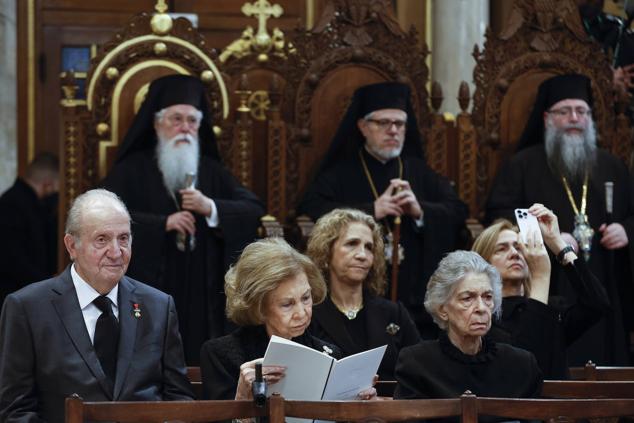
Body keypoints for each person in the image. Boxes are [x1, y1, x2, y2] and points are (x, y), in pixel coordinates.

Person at [103, 74, 265, 364]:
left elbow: (253, 208)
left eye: (192, 121)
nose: (185, 128)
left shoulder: (210, 169)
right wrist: (162, 223)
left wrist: (210, 206)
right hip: (151, 284)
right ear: (156, 123)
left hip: (202, 292)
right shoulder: (132, 169)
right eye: (176, 119)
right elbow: (102, 216)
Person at [0, 189, 193, 422]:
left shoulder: (159, 306)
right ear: (72, 246)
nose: (116, 252)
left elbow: (180, 400)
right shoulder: (27, 308)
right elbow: (16, 411)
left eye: (123, 238)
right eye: (102, 240)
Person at [298, 82, 468, 338]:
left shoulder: (417, 171)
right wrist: (372, 210)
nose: (393, 131)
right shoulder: (341, 172)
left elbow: (458, 210)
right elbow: (311, 206)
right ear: (363, 127)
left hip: (414, 292)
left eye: (399, 124)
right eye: (383, 123)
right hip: (356, 292)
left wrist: (420, 211)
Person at [486, 73, 634, 365]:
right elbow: (498, 215)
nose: (574, 118)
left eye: (581, 111)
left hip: (605, 280)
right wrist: (546, 237)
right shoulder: (523, 165)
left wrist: (627, 229)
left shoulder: (612, 166)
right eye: (564, 112)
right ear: (547, 118)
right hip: (549, 286)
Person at [200, 238, 377, 401]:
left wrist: (356, 404)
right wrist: (242, 398)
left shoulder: (329, 354)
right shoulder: (220, 355)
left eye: (306, 298)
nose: (302, 313)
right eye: (287, 304)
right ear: (259, 308)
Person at [472, 204, 610, 379]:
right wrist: (540, 277)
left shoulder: (553, 309)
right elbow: (524, 367)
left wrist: (557, 243)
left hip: (560, 405)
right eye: (502, 248)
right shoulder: (481, 315)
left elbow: (597, 304)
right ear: (483, 264)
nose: (515, 253)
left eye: (520, 247)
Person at [394, 251, 542, 409]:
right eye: (467, 298)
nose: (481, 308)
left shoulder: (521, 364)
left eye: (487, 297)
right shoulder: (417, 364)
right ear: (443, 309)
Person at [306, 208, 420, 380]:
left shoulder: (394, 313)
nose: (362, 255)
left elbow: (420, 372)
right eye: (352, 244)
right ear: (327, 252)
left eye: (369, 247)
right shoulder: (309, 313)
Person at [0, 152, 59, 307]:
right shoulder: (11, 205)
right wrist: (49, 282)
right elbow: (13, 260)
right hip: (12, 296)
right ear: (48, 184)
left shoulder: (24, 202)